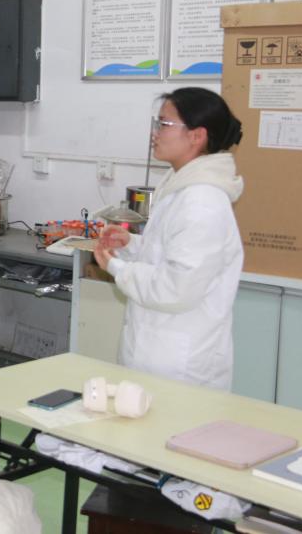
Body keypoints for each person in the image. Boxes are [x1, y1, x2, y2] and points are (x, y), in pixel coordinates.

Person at [94, 87, 244, 390]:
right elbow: (170, 254)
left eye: (164, 124)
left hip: (181, 365)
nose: (155, 133)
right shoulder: (182, 188)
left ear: (196, 136)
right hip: (157, 353)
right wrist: (130, 245)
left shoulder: (202, 202)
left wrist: (118, 269)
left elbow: (177, 289)